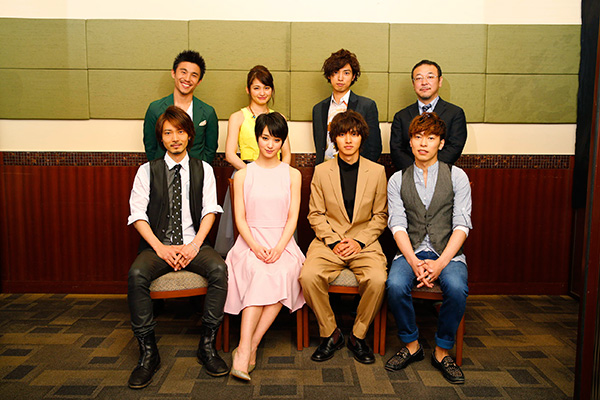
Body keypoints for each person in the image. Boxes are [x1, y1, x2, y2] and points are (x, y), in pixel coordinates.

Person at [127, 106, 229, 389]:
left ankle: (207, 346)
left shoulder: (204, 169)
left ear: (190, 135)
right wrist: (160, 248)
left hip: (194, 242)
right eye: (168, 133)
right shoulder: (146, 171)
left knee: (219, 269)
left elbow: (210, 210)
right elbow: (137, 215)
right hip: (157, 245)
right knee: (136, 275)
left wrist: (195, 245)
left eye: (180, 131)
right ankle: (148, 354)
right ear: (161, 138)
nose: (175, 138)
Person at [385, 112, 471, 384]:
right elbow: (397, 224)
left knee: (456, 288)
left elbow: (462, 225)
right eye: (418, 137)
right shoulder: (397, 179)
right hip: (410, 251)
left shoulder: (457, 176)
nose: (423, 143)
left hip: (447, 253)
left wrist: (440, 263)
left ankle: (442, 351)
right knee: (394, 285)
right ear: (410, 142)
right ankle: (412, 345)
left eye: (431, 138)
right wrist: (413, 261)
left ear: (441, 143)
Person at [300, 110, 388, 365]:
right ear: (334, 139)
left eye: (354, 134)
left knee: (378, 279)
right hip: (329, 242)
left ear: (362, 137)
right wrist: (334, 241)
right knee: (308, 276)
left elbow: (380, 216)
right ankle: (331, 333)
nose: (348, 140)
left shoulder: (377, 171)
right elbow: (315, 214)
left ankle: (358, 336)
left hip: (364, 243)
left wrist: (359, 241)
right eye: (342, 134)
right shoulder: (321, 171)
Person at [224, 112, 305, 381]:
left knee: (284, 271)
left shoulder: (292, 174)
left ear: (283, 142)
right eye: (265, 138)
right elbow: (240, 218)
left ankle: (248, 347)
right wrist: (256, 247)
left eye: (277, 140)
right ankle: (245, 348)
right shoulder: (243, 174)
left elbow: (292, 217)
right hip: (250, 241)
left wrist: (280, 247)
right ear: (257, 138)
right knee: (259, 272)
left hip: (283, 242)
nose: (270, 145)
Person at [215, 65, 291, 255]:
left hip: (275, 174)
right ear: (248, 90)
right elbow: (230, 154)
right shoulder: (237, 117)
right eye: (256, 88)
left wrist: (278, 174)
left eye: (266, 88)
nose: (262, 92)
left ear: (272, 90)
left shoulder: (279, 118)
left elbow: (287, 153)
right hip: (245, 173)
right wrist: (252, 173)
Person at [390, 60, 467, 171]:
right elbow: (397, 150)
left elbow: (454, 147)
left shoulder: (455, 113)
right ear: (413, 84)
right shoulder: (401, 116)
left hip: (442, 174)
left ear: (440, 81)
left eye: (430, 77)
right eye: (419, 78)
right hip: (409, 174)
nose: (424, 82)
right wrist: (416, 171)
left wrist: (430, 170)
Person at [143, 50, 218, 164]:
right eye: (183, 72)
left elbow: (210, 149)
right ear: (173, 73)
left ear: (199, 81)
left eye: (194, 75)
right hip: (162, 170)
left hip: (196, 170)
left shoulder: (208, 112)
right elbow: (150, 146)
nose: (187, 79)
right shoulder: (155, 109)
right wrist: (158, 169)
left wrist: (200, 169)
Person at [312, 49, 382, 165]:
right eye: (335, 72)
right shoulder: (318, 109)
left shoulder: (366, 106)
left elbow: (374, 147)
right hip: (326, 169)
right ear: (329, 75)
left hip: (357, 169)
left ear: (353, 76)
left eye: (346, 73)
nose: (340, 78)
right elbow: (320, 146)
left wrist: (362, 170)